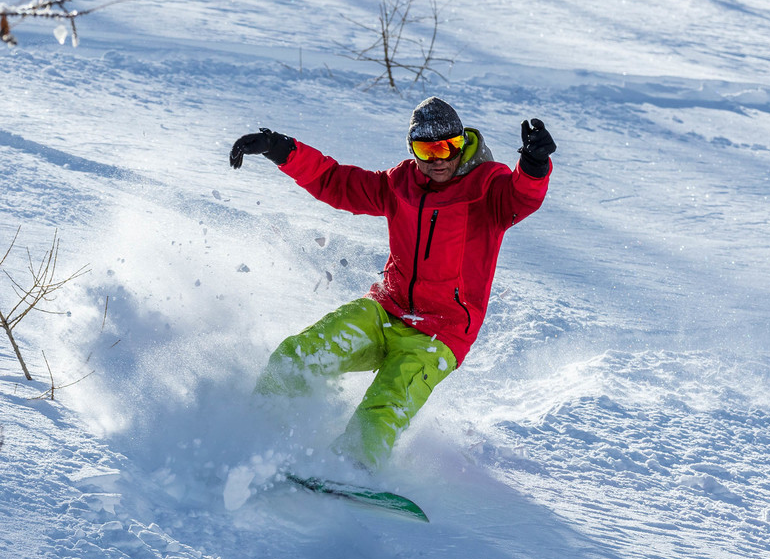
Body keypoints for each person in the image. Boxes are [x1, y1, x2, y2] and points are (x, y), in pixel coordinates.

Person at [229, 97, 554, 473]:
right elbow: (335, 182)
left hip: (439, 335)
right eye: (426, 150)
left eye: (448, 147)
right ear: (412, 149)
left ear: (463, 142)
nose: (439, 160)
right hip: (385, 310)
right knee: (298, 355)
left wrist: (533, 166)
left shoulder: (488, 189)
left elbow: (522, 196)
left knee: (385, 403)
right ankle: (255, 429)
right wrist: (280, 149)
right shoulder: (400, 183)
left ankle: (351, 469)